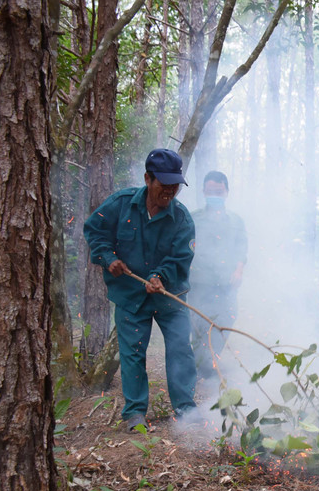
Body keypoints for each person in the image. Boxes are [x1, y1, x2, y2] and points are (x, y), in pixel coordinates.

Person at [84, 149, 198, 430]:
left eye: (175, 186)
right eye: (164, 184)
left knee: (181, 349)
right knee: (133, 353)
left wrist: (161, 276)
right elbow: (94, 232)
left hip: (169, 297)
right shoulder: (120, 204)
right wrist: (108, 258)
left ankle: (186, 410)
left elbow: (181, 257)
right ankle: (134, 414)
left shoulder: (182, 219)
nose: (170, 191)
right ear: (148, 179)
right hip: (131, 295)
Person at [188, 171, 247, 381]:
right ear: (204, 191)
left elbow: (242, 248)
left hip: (227, 283)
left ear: (226, 192)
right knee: (198, 324)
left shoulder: (236, 221)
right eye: (211, 191)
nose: (214, 195)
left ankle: (211, 359)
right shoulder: (193, 218)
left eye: (219, 191)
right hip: (199, 283)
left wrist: (238, 269)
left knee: (227, 319)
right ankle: (199, 367)